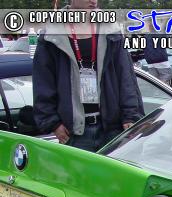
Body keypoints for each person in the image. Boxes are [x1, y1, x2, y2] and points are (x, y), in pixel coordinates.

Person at [33, 0, 144, 152]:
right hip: (75, 133)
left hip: (113, 129)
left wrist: (131, 116)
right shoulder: (51, 33)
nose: (93, 1)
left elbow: (126, 76)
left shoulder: (110, 29)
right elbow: (43, 82)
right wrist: (53, 123)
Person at [143, 20, 172, 86]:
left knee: (154, 79)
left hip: (150, 62)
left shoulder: (145, 37)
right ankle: (162, 87)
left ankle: (156, 89)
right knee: (167, 74)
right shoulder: (159, 35)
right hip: (161, 60)